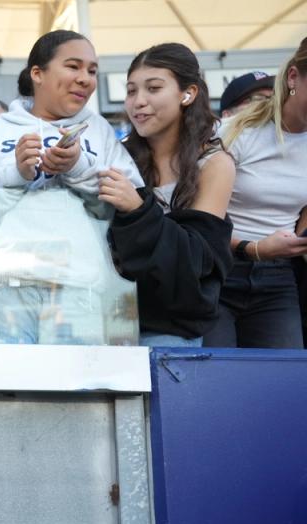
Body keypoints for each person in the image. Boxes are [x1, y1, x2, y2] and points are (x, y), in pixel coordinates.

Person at [0, 30, 142, 344]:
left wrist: (78, 165)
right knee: (5, 388)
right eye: (73, 66)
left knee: (79, 390)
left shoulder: (99, 131)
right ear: (38, 73)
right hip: (3, 286)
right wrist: (14, 172)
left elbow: (132, 198)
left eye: (92, 70)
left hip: (80, 289)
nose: (85, 78)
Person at [100, 43, 235, 347]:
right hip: (109, 314)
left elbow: (196, 259)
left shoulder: (214, 164)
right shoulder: (117, 156)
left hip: (172, 325)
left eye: (153, 88)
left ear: (188, 94)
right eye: (131, 91)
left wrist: (138, 210)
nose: (139, 102)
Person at [204, 38, 307, 348]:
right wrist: (256, 248)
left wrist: (298, 240)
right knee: (219, 382)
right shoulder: (237, 131)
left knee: (282, 386)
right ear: (292, 78)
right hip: (219, 270)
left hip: (278, 278)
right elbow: (199, 219)